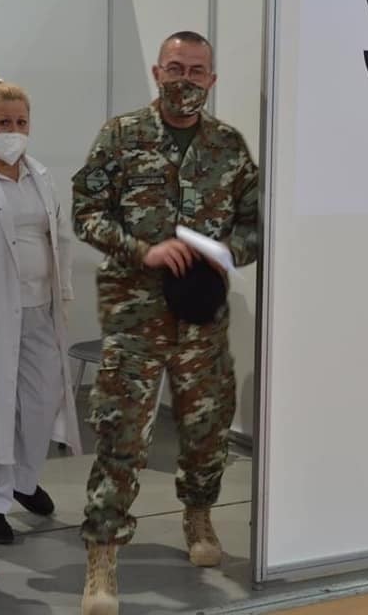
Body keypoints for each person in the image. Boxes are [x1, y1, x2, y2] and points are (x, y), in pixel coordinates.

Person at [71, 31, 258, 614]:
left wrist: (227, 251)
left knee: (207, 433)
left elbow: (255, 224)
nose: (185, 80)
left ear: (212, 79)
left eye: (196, 71)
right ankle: (102, 556)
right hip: (135, 315)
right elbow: (85, 211)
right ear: (157, 73)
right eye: (175, 68)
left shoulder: (228, 146)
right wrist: (140, 250)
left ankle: (199, 516)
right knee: (121, 435)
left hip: (201, 317)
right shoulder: (122, 136)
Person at [0, 76, 82, 545]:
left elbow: (60, 237)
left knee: (41, 399)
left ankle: (24, 480)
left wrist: (64, 294)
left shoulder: (39, 175)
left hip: (40, 307)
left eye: (21, 121)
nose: (14, 130)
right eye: (3, 122)